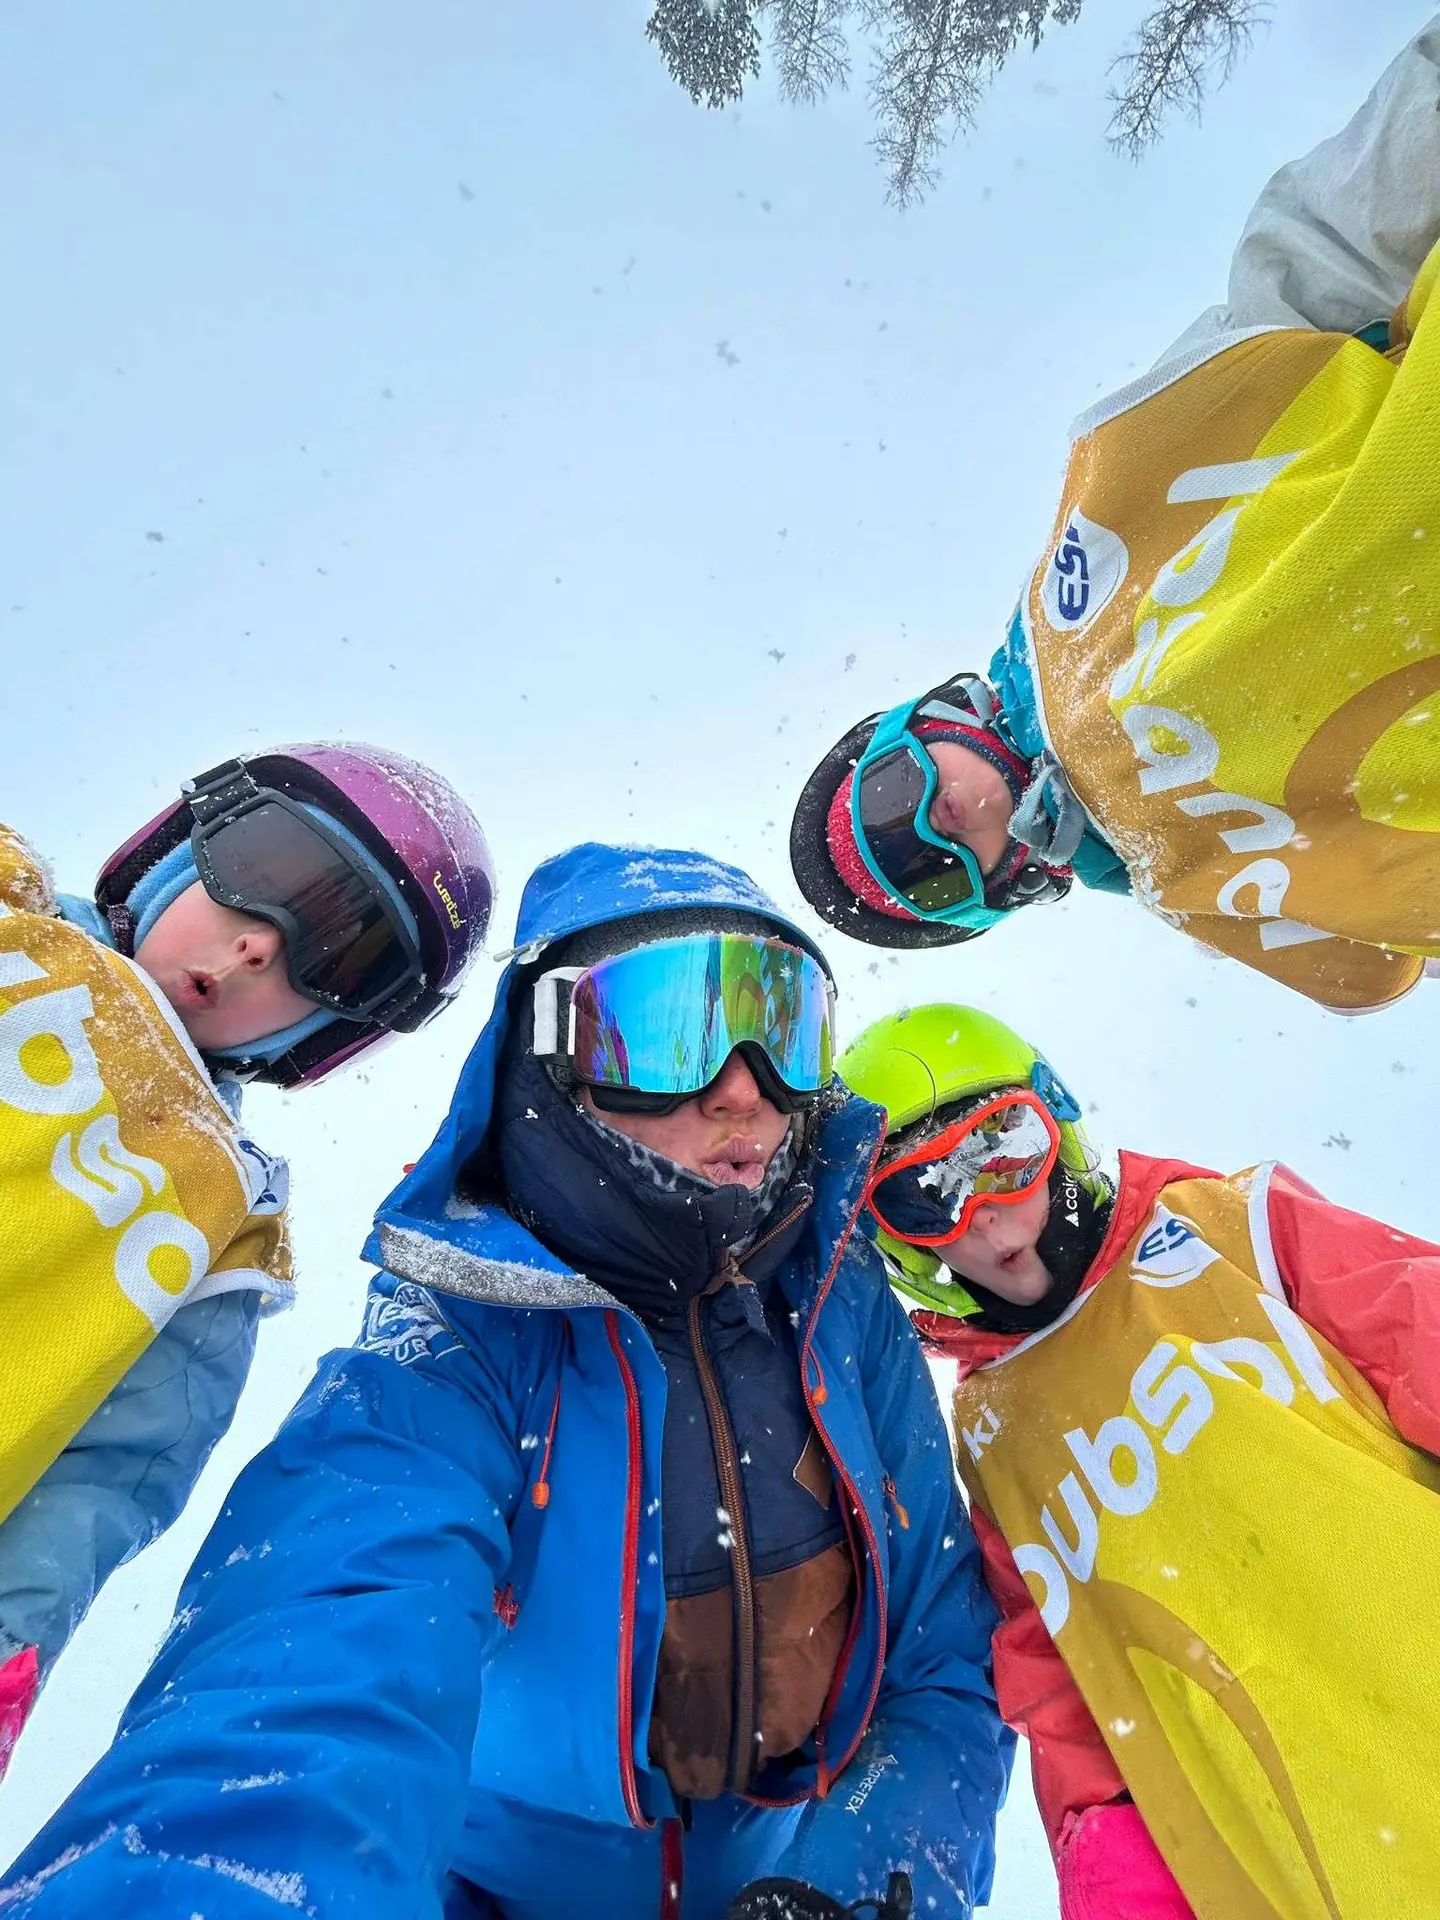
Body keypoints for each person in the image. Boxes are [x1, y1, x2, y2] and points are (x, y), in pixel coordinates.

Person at [0, 842, 1011, 1920]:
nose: (741, 1091)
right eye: (671, 1032)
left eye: (785, 1026)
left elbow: (940, 1642)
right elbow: (322, 1649)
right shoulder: (460, 1345)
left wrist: (857, 1879)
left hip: (788, 1856)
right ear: (552, 1059)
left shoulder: (837, 1301)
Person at [790, 18, 1440, 1014]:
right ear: (993, 902)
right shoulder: (1202, 896)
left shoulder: (1087, 574)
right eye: (931, 873)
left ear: (923, 721)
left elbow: (1315, 275)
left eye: (891, 800)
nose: (942, 819)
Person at [840, 1001, 1440, 1917]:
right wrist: (1117, 1880)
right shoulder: (995, 1441)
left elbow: (1420, 1334)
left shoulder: (1233, 1231)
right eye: (927, 1200)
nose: (987, 1220)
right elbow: (1066, 1697)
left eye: (1002, 1153)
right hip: (1310, 1849)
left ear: (1057, 1119)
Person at [0, 742, 493, 1775]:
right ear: (181, 846)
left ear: (333, 1031)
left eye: (343, 958)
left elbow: (103, 1482)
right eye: (264, 873)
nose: (265, 947)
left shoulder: (224, 1222)